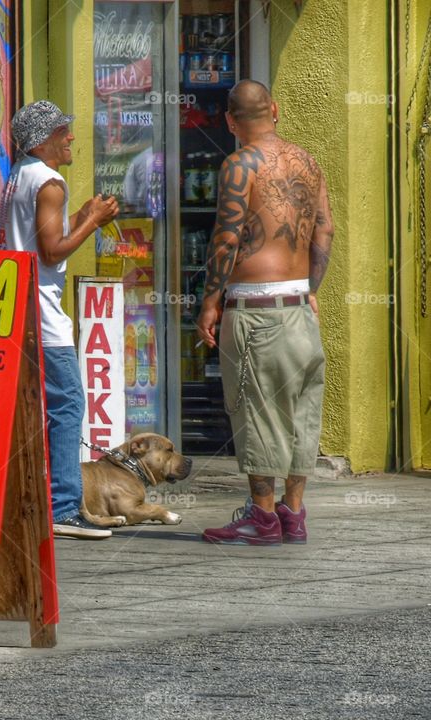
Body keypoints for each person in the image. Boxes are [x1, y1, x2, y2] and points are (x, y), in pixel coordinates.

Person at [196, 80, 334, 545]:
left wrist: (211, 302)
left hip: (256, 308)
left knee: (257, 411)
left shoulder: (239, 165)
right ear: (274, 110)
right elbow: (325, 231)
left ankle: (261, 516)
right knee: (299, 414)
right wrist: (309, 288)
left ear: (231, 122)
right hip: (299, 308)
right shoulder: (309, 163)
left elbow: (227, 237)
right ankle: (292, 514)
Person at [1, 100, 120, 539]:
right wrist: (93, 222)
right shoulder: (49, 180)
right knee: (68, 403)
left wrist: (83, 216)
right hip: (43, 314)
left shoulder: (19, 175)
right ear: (46, 138)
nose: (71, 138)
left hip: (18, 308)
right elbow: (51, 252)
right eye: (65, 131)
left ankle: (39, 500)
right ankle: (64, 506)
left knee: (36, 408)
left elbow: (39, 237)